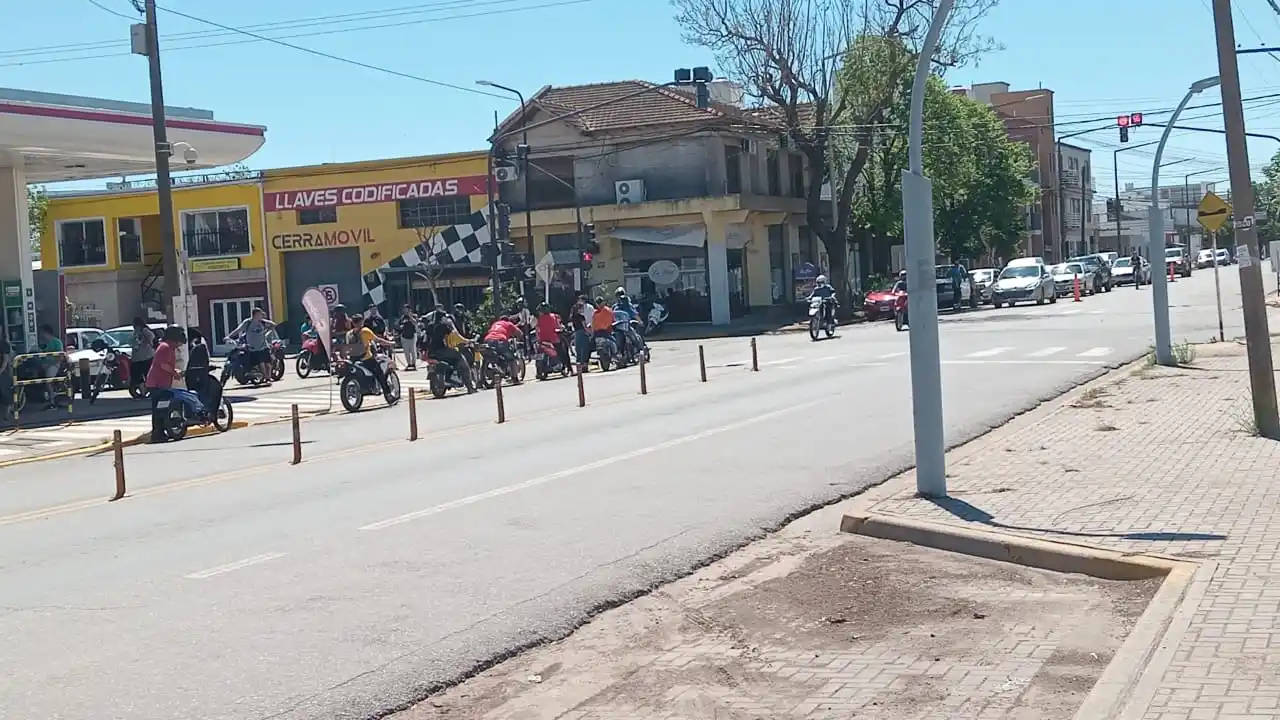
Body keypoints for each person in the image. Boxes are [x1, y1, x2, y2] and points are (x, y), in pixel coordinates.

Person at [422, 308, 476, 393]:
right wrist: (468, 341)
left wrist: (423, 351)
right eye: (445, 317)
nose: (446, 319)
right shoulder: (443, 326)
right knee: (461, 358)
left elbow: (423, 340)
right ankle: (470, 387)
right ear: (441, 318)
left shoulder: (430, 327)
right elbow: (456, 337)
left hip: (430, 353)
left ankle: (451, 375)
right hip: (441, 351)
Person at [145, 326, 184, 444]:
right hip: (157, 384)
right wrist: (174, 373)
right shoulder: (165, 347)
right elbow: (163, 365)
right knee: (160, 409)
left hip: (161, 383)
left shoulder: (169, 347)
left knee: (162, 408)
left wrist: (174, 372)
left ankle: (160, 432)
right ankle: (157, 434)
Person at [345, 314, 396, 401]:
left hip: (353, 359)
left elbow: (348, 346)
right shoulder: (365, 331)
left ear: (352, 322)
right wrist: (390, 343)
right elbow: (378, 340)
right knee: (380, 375)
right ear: (361, 322)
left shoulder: (348, 334)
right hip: (366, 359)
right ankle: (388, 396)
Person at [226, 307, 277, 385]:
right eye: (260, 314)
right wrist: (229, 336)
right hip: (253, 347)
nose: (262, 316)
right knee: (261, 363)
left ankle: (268, 378)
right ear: (255, 315)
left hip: (264, 346)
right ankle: (267, 378)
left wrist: (267, 329)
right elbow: (238, 330)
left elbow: (273, 324)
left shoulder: (262, 322)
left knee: (268, 364)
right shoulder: (248, 322)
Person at [36, 324, 66, 409]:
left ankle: (52, 400)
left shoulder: (57, 342)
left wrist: (49, 364)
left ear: (46, 332)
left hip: (54, 364)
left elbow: (60, 357)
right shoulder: (45, 343)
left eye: (42, 332)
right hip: (44, 364)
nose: (41, 335)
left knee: (48, 380)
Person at [611, 287, 647, 357]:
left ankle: (640, 350)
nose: (620, 297)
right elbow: (610, 316)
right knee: (616, 340)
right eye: (618, 295)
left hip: (627, 326)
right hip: (618, 328)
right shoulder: (614, 307)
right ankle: (619, 354)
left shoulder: (628, 305)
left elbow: (634, 314)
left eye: (621, 295)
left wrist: (640, 322)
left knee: (634, 337)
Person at [128, 317, 155, 396]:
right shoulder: (137, 332)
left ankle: (146, 391)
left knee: (143, 375)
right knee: (141, 376)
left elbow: (151, 339)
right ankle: (144, 391)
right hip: (142, 357)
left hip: (144, 358)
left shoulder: (144, 331)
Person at [569, 295, 593, 373]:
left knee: (579, 351)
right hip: (583, 333)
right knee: (585, 350)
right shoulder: (581, 317)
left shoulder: (574, 316)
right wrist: (590, 332)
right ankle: (584, 366)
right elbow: (584, 326)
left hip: (577, 333)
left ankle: (579, 367)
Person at [396, 305, 418, 370]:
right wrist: (400, 327)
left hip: (412, 336)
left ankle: (413, 364)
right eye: (404, 309)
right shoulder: (402, 317)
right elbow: (399, 325)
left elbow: (415, 323)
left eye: (406, 309)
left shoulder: (414, 316)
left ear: (409, 309)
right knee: (406, 352)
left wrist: (410, 316)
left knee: (413, 351)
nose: (405, 310)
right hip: (404, 336)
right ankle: (409, 364)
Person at [0, 335, 11, 424]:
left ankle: (6, 415)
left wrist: (1, 370)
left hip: (3, 372)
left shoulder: (3, 344)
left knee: (4, 393)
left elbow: (5, 359)